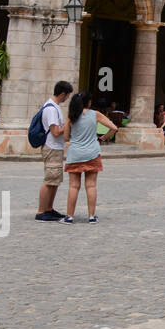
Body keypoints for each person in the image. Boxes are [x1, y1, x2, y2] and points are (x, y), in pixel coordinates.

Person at [61, 91, 117, 224]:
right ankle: (91, 216)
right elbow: (114, 128)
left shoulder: (71, 115)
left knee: (74, 186)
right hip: (92, 152)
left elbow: (65, 137)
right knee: (91, 185)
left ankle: (69, 216)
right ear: (89, 102)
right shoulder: (95, 114)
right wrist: (102, 138)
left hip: (75, 153)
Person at [35, 80, 74, 222]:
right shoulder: (51, 109)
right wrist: (68, 124)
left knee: (54, 180)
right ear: (62, 94)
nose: (67, 98)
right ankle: (41, 211)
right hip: (51, 147)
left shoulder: (54, 107)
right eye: (67, 95)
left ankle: (49, 208)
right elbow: (56, 132)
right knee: (49, 179)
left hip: (56, 147)